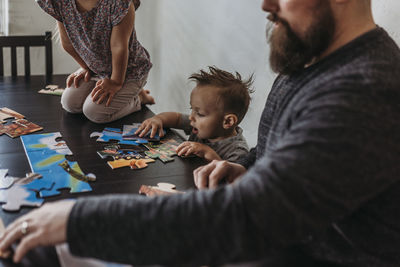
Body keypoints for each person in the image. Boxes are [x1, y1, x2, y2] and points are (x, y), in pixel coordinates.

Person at [1, 0, 400, 266]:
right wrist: (244, 166)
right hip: (270, 239)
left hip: (285, 252)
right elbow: (275, 152)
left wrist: (77, 219)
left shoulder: (363, 89)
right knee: (40, 247)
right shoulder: (311, 64)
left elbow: (246, 219)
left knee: (56, 241)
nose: (265, 4)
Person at [36, 0, 154, 124]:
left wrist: (115, 82)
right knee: (70, 103)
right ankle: (126, 92)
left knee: (94, 113)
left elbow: (118, 46)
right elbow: (68, 44)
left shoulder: (119, 3)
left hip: (128, 72)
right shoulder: (61, 2)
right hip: (98, 70)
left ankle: (138, 98)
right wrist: (87, 68)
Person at [135, 66, 252, 163]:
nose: (191, 117)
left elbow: (231, 181)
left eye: (200, 113)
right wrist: (158, 119)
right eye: (192, 109)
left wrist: (207, 152)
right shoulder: (199, 125)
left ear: (227, 122)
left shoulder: (238, 152)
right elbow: (176, 118)